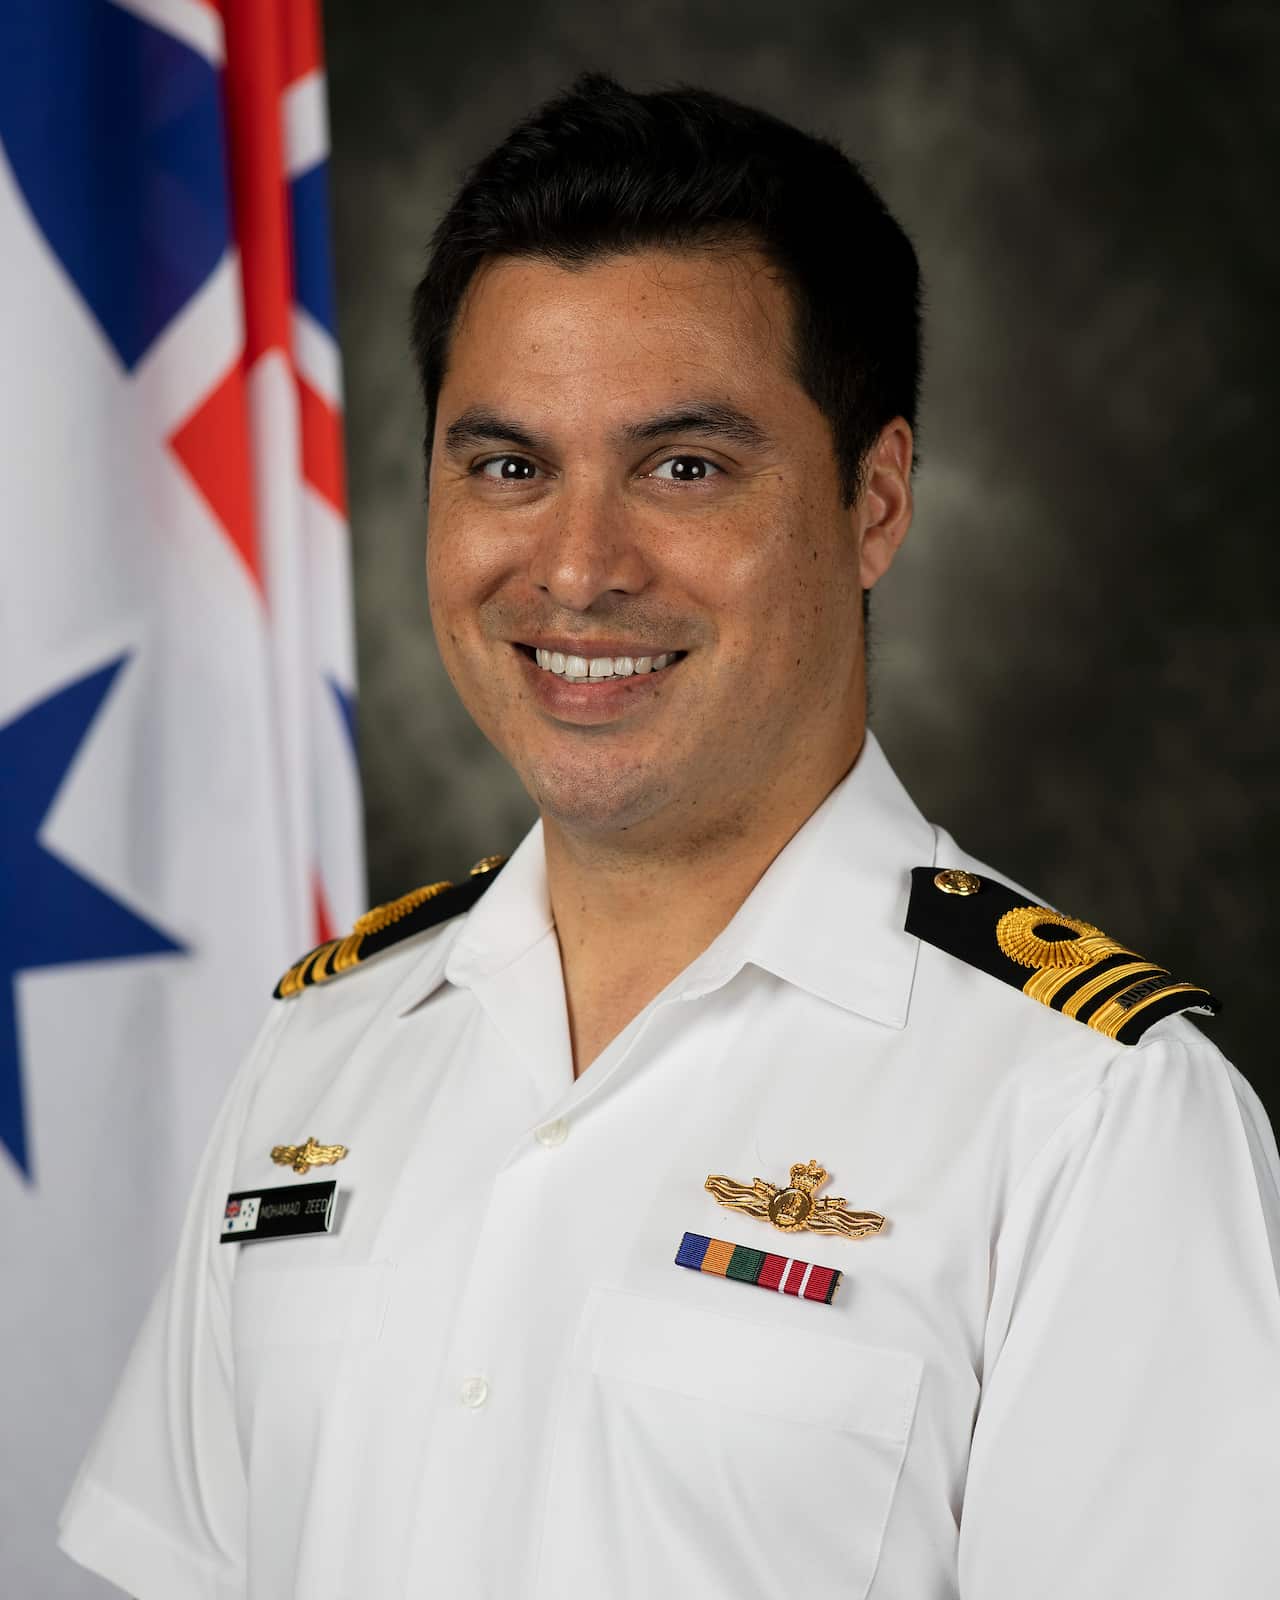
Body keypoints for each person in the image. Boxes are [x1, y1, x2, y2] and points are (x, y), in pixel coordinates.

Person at [59, 72, 1280, 1599]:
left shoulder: (1094, 1120)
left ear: (876, 501)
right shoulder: (328, 1046)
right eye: (508, 467)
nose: (575, 570)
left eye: (683, 468)